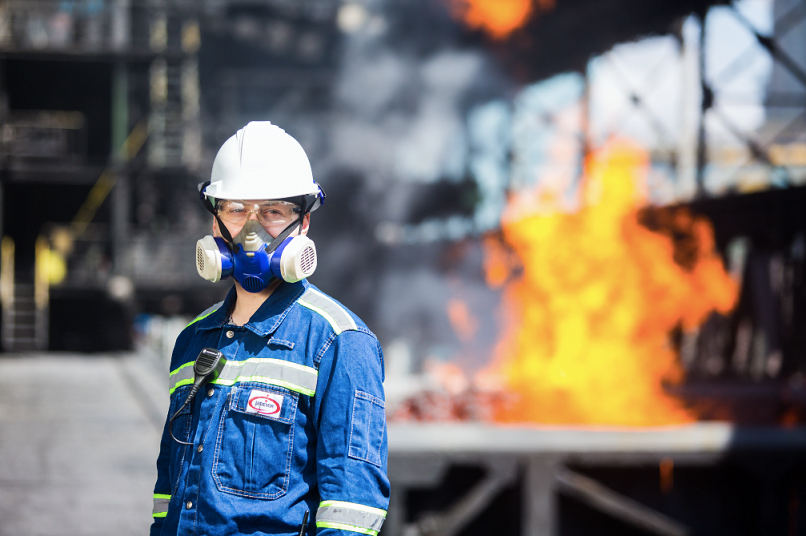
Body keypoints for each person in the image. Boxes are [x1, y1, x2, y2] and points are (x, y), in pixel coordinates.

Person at [150, 121, 390, 536]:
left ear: (304, 223)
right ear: (215, 222)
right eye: (237, 209)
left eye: (273, 212)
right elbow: (168, 494)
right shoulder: (192, 340)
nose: (251, 231)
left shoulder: (339, 343)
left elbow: (351, 512)